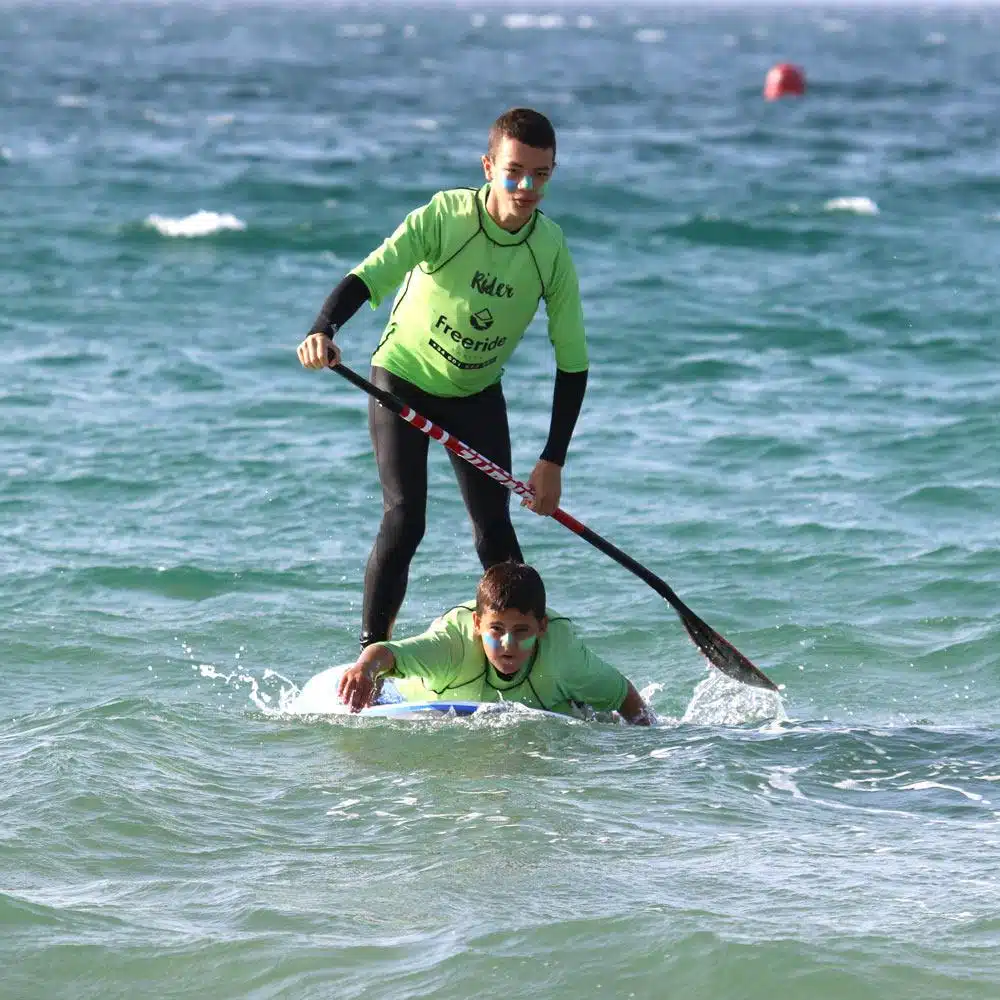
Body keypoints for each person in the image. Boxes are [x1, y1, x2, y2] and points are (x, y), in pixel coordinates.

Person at [297, 108, 590, 650]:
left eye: (541, 174)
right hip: (402, 378)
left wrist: (553, 461)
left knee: (495, 533)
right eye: (514, 171)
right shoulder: (445, 218)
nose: (526, 187)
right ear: (488, 167)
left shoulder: (550, 250)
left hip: (476, 393)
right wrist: (323, 329)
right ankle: (372, 653)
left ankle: (524, 652)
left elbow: (572, 360)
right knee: (406, 518)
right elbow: (370, 275)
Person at [337, 562, 652, 725]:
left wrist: (647, 748)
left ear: (542, 627)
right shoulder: (454, 643)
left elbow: (624, 696)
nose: (507, 643)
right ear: (477, 624)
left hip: (549, 709)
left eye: (521, 631)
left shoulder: (562, 653)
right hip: (426, 695)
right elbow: (386, 654)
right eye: (496, 629)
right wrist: (364, 669)